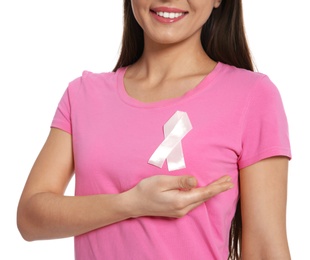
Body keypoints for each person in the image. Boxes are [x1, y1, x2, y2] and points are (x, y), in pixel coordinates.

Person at [17, 0, 292, 259]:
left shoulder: (251, 96)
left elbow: (266, 248)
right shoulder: (83, 95)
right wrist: (131, 204)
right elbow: (30, 218)